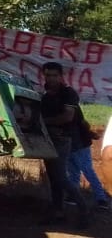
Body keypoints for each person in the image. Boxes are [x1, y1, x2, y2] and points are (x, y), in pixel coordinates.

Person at [39, 62, 90, 228]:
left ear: (61, 76)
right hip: (49, 139)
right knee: (54, 178)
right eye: (48, 75)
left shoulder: (68, 93)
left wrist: (43, 122)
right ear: (44, 76)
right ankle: (58, 212)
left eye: (54, 75)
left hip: (62, 139)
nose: (51, 78)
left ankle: (84, 211)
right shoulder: (45, 96)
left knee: (61, 178)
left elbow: (67, 117)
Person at [67, 105, 111, 212]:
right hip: (73, 143)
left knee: (86, 170)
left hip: (78, 143)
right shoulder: (70, 103)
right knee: (75, 170)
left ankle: (101, 198)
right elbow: (83, 123)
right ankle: (76, 195)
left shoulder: (68, 103)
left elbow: (83, 123)